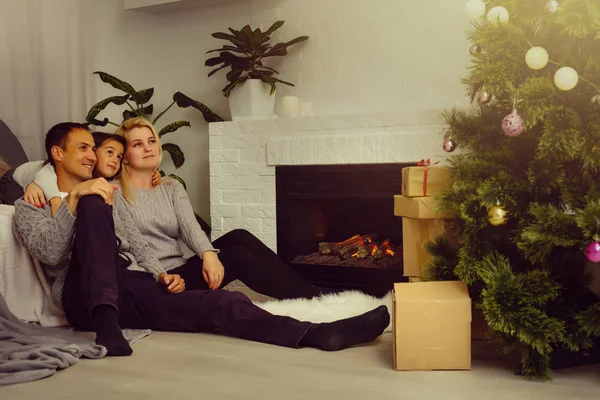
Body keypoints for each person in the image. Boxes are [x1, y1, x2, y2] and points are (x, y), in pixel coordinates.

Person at [13, 121, 390, 357]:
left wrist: (160, 274)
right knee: (94, 203)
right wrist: (72, 200)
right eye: (84, 148)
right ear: (56, 155)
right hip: (84, 298)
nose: (94, 156)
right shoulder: (35, 203)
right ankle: (107, 324)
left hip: (132, 284)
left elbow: (132, 241)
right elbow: (48, 251)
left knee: (223, 303)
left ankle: (316, 334)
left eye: (95, 150)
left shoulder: (110, 191)